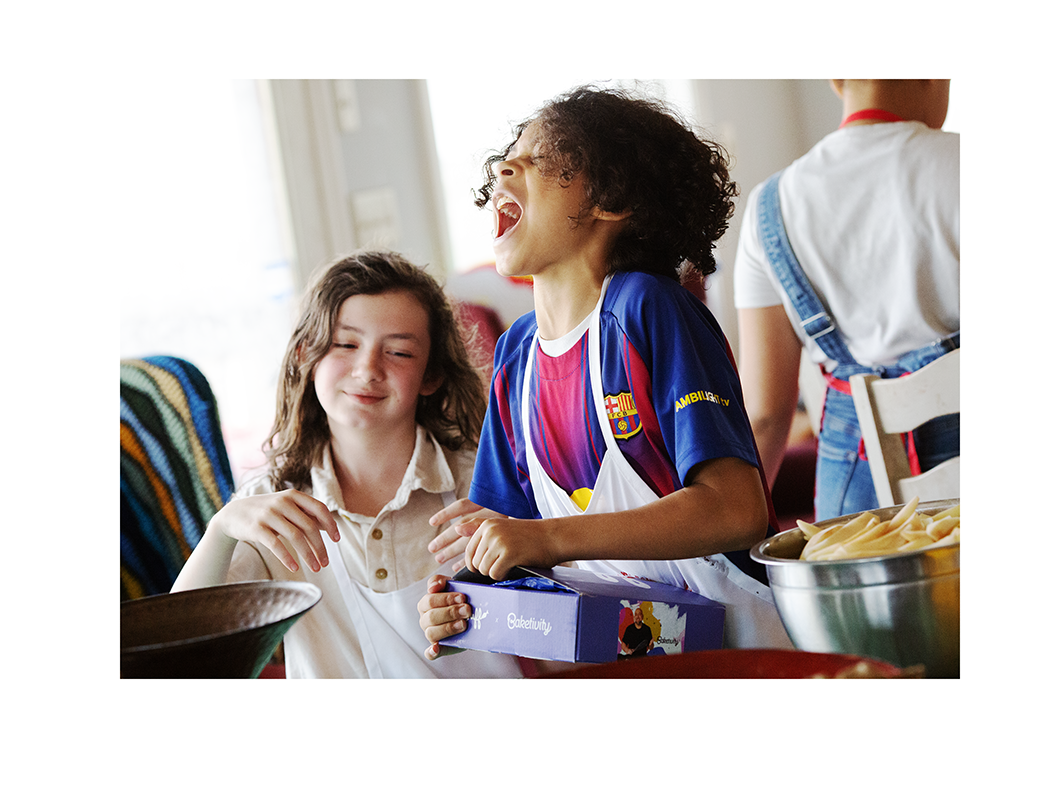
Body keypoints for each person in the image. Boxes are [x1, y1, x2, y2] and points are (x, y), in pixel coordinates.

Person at [418, 85, 794, 656]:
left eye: (539, 158)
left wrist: (548, 537)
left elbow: (736, 509)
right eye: (507, 157)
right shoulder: (517, 356)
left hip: (746, 651)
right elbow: (513, 542)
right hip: (635, 660)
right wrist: (464, 602)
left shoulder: (647, 308)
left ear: (611, 200)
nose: (504, 167)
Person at [172, 250, 526, 679]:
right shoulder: (270, 504)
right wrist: (222, 529)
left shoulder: (486, 483)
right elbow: (184, 653)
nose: (368, 369)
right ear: (306, 355)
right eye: (346, 344)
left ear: (431, 375)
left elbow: (558, 634)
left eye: (398, 352)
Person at [734, 79, 959, 521]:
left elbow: (763, 417)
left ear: (836, 80)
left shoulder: (768, 207)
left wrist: (726, 539)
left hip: (857, 513)